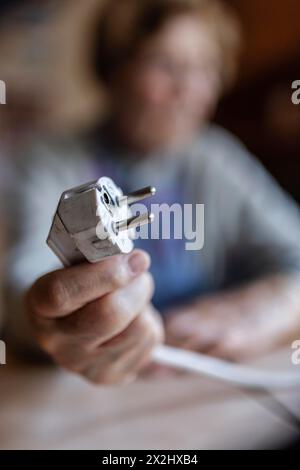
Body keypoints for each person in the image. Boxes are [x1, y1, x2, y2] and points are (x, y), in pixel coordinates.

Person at [5, 0, 300, 384]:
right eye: (165, 64)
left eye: (205, 68)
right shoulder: (49, 159)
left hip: (193, 386)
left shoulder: (216, 159)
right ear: (115, 72)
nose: (188, 90)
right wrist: (52, 324)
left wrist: (265, 308)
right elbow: (18, 291)